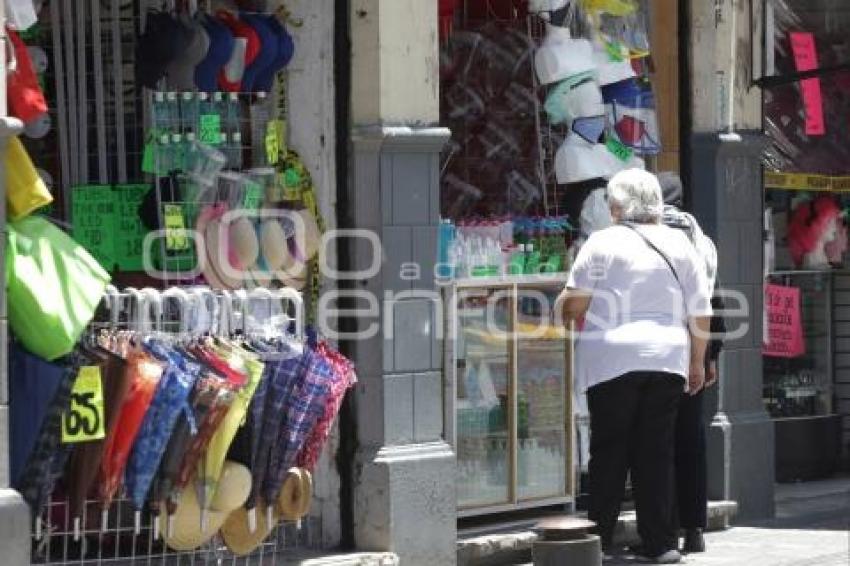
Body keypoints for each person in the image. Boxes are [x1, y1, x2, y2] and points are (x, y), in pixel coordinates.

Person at [557, 169, 712, 564]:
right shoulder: (681, 244)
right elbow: (700, 312)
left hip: (611, 360)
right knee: (655, 452)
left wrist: (560, 306)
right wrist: (696, 363)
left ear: (616, 206)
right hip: (667, 358)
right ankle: (660, 543)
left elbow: (575, 305)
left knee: (609, 450)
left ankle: (599, 539)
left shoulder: (602, 242)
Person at [658, 171, 727, 554]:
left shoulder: (650, 234)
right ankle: (695, 528)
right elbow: (714, 300)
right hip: (695, 350)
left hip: (660, 349)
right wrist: (711, 355)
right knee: (691, 438)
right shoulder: (702, 241)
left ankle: (665, 523)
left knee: (659, 439)